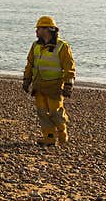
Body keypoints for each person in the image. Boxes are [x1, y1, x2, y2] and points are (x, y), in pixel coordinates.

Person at [22, 15, 76, 146]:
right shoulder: (35, 46)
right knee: (42, 113)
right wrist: (26, 80)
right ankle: (49, 138)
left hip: (54, 87)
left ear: (48, 29)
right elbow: (30, 64)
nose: (36, 32)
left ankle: (63, 135)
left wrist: (68, 84)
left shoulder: (62, 47)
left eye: (39, 29)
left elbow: (69, 66)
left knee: (55, 112)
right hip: (39, 86)